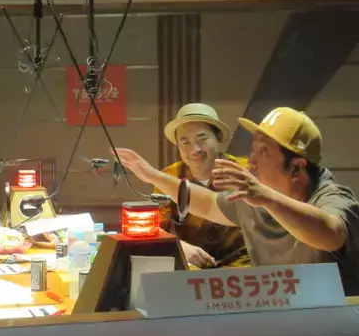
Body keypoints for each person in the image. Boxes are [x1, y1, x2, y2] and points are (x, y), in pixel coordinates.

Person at [116, 107, 359, 295]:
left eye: (263, 152)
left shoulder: (331, 198)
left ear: (296, 168)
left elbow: (331, 233)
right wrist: (150, 174)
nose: (251, 162)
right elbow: (209, 203)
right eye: (252, 150)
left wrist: (265, 197)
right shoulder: (256, 195)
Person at [157, 103, 249, 268]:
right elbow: (155, 228)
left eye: (202, 139)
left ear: (218, 138)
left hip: (243, 267)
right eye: (185, 142)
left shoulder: (246, 171)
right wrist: (179, 246)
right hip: (191, 267)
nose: (195, 149)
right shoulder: (169, 177)